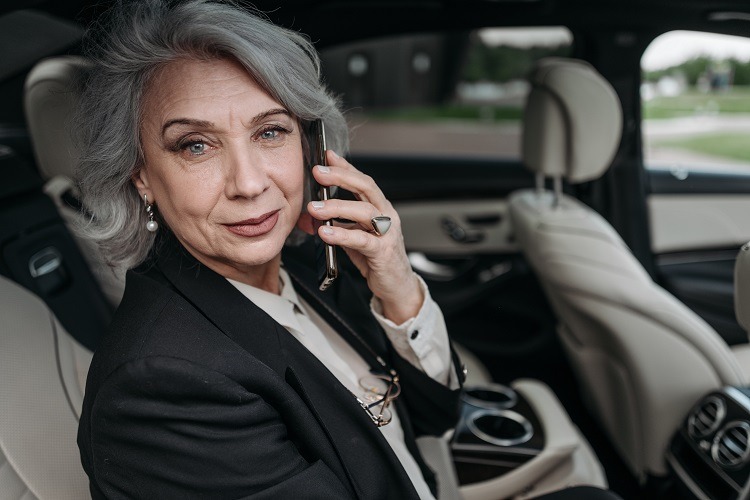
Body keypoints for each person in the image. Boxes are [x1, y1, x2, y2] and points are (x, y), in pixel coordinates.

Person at [75, 1, 620, 499]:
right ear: (142, 175)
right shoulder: (161, 388)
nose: (248, 183)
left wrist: (398, 282)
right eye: (196, 145)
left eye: (270, 133)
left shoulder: (310, 264)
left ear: (314, 147)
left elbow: (434, 414)